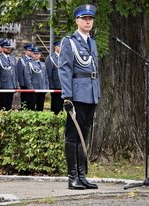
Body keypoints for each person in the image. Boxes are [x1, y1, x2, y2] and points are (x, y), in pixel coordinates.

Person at [58, 4, 100, 190]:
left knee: (84, 135)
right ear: (77, 21)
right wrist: (67, 96)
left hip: (91, 94)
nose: (88, 21)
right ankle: (72, 177)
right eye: (84, 18)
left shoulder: (92, 42)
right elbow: (65, 69)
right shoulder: (70, 41)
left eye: (90, 18)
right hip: (76, 94)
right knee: (73, 135)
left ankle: (82, 176)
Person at [0, 40, 18, 111]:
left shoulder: (12, 58)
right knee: (1, 106)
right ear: (2, 48)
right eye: (6, 48)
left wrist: (15, 84)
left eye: (9, 48)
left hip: (11, 85)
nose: (8, 49)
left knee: (8, 106)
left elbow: (15, 72)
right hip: (3, 85)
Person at [24, 46, 49, 111]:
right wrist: (31, 89)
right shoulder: (29, 64)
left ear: (40, 54)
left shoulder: (43, 64)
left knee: (40, 107)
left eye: (38, 54)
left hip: (42, 89)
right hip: (34, 89)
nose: (36, 55)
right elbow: (27, 78)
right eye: (34, 53)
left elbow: (46, 77)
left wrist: (46, 88)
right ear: (32, 54)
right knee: (31, 107)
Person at [45, 40, 63, 115]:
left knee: (62, 103)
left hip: (63, 85)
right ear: (56, 47)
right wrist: (51, 86)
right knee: (55, 103)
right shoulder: (51, 58)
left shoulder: (64, 57)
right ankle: (54, 117)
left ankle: (60, 116)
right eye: (60, 46)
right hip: (55, 85)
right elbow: (49, 73)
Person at [16, 43, 34, 109]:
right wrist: (22, 84)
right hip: (25, 85)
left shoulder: (33, 60)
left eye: (32, 51)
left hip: (33, 84)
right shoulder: (22, 60)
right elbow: (20, 73)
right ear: (26, 51)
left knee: (32, 102)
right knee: (25, 101)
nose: (31, 52)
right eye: (30, 50)